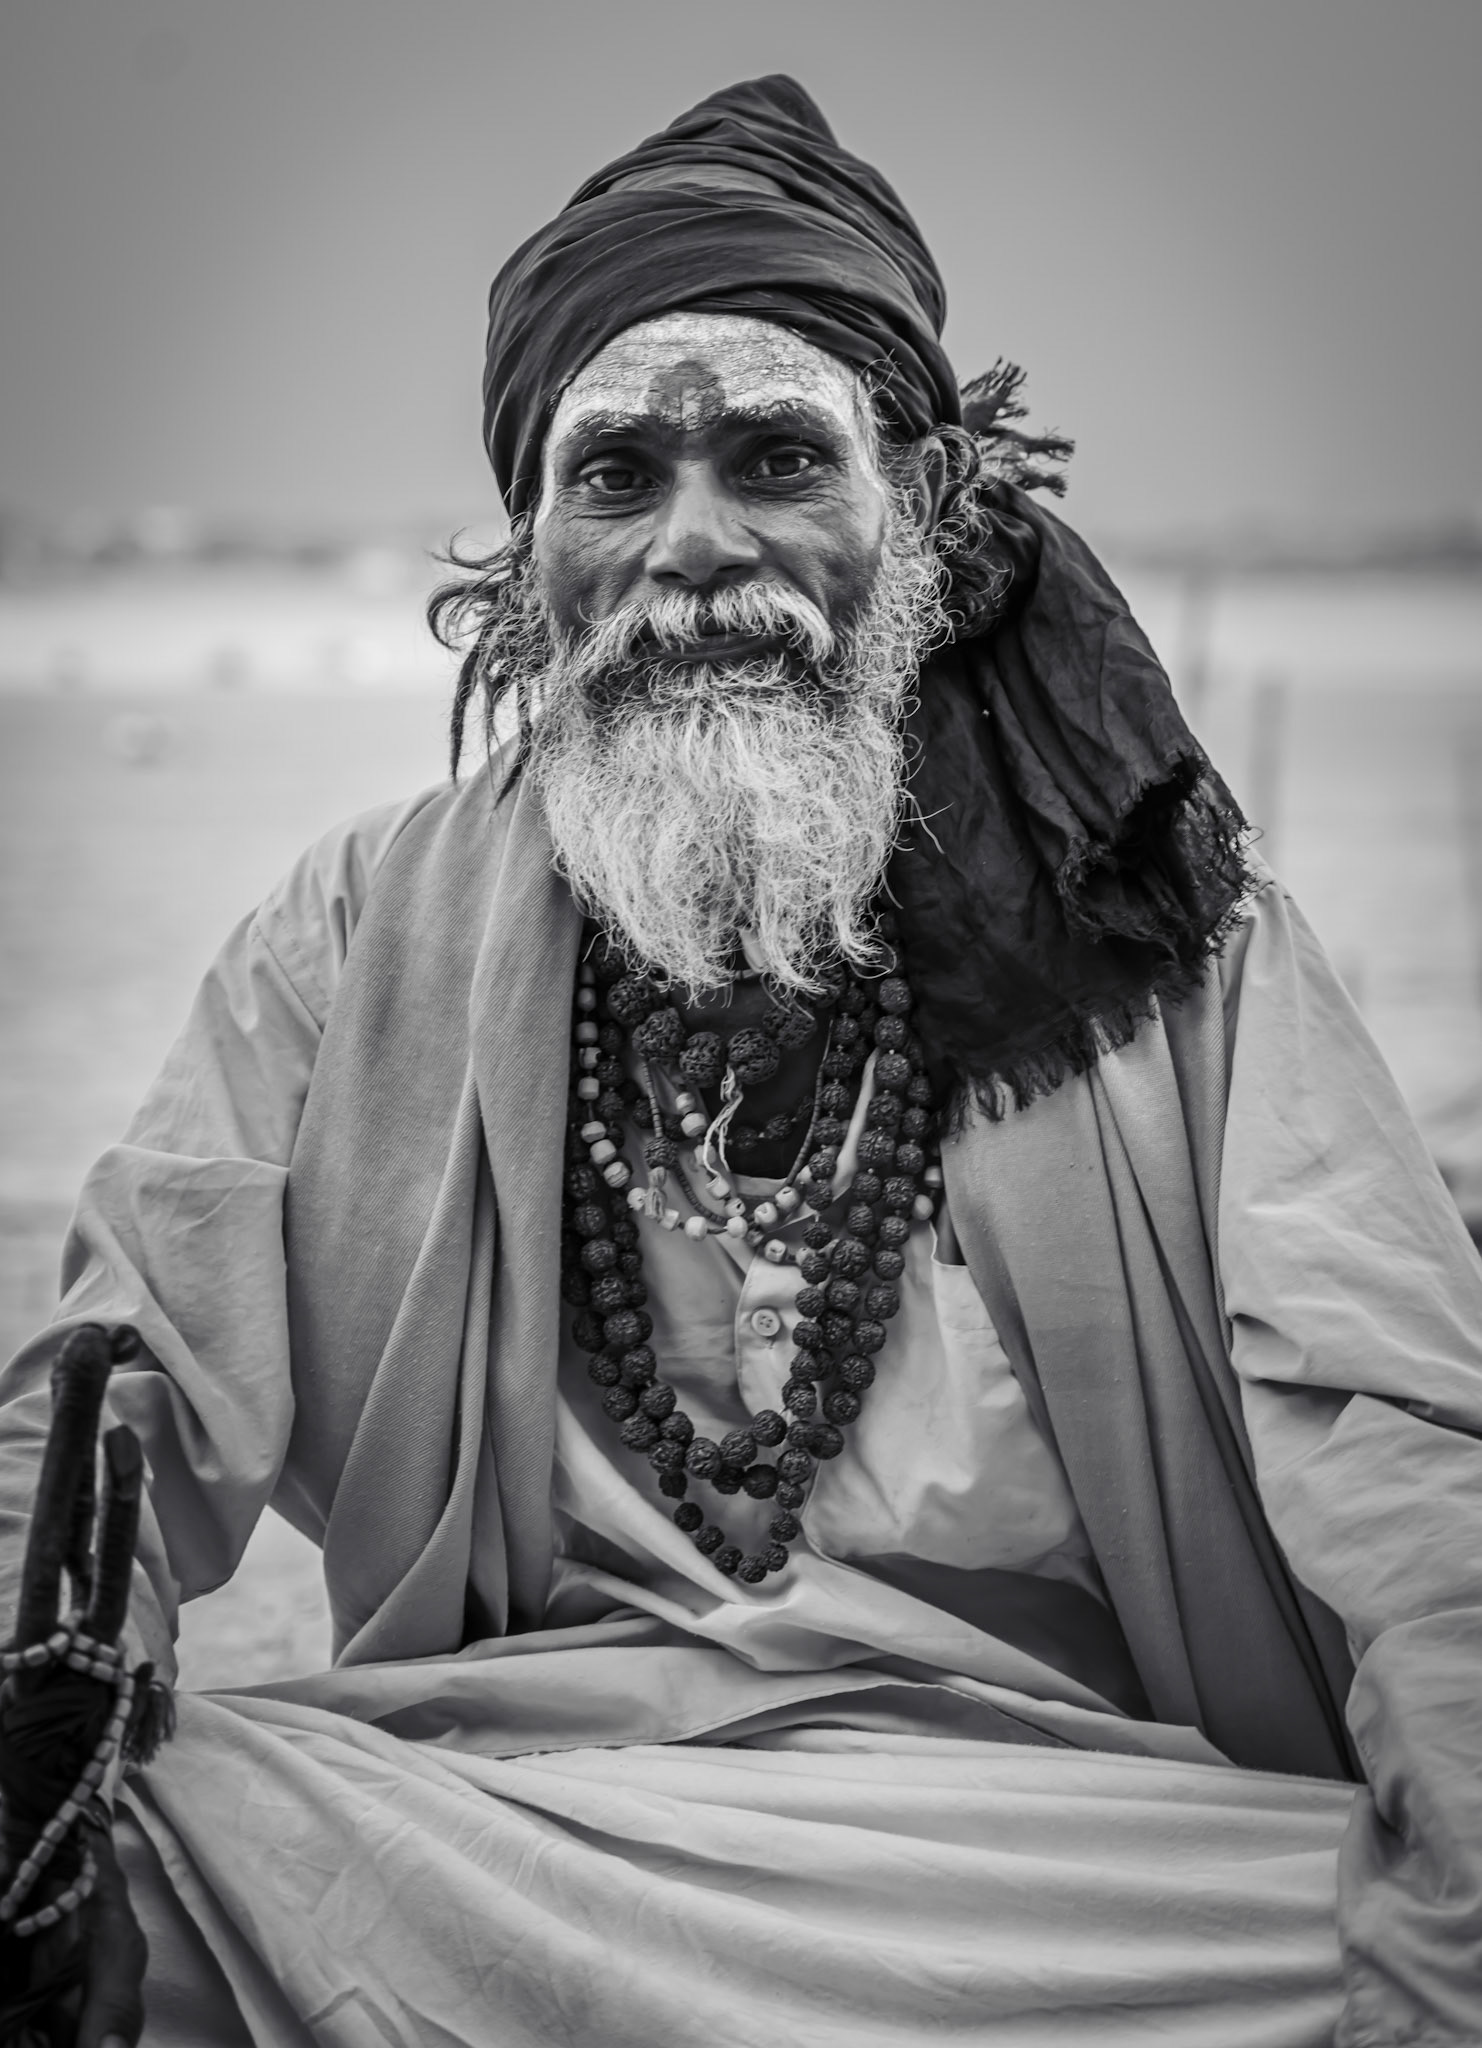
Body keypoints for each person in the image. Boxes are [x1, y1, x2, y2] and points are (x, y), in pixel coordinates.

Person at [2, 74, 1480, 2048]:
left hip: (1054, 1855)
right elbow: (111, 1410)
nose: (695, 547)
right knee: (129, 1833)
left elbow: (1403, 1451)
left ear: (926, 510)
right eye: (617, 479)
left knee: (1387, 1912)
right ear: (532, 553)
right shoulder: (358, 934)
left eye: (778, 459)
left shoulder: (1162, 940)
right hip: (508, 1827)